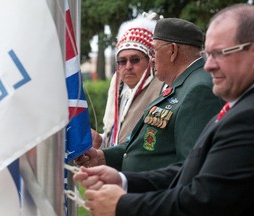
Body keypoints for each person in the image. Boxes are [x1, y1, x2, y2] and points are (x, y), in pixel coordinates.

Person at [74, 3, 254, 216]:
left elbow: (205, 199)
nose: (208, 65)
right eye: (208, 54)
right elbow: (193, 168)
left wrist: (123, 205)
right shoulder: (247, 104)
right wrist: (124, 180)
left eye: (219, 54)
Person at [75, 18, 224, 172]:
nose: (152, 59)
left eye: (154, 51)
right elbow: (146, 145)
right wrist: (101, 157)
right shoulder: (182, 84)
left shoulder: (198, 89)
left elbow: (190, 169)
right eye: (121, 61)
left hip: (156, 194)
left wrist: (129, 184)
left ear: (172, 51)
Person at [91, 14, 164, 148]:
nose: (128, 66)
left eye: (135, 60)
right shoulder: (118, 89)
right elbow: (116, 141)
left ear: (150, 61)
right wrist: (99, 141)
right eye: (122, 61)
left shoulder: (162, 88)